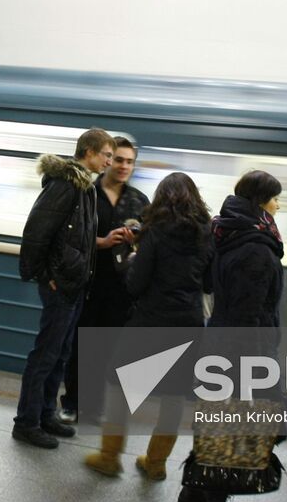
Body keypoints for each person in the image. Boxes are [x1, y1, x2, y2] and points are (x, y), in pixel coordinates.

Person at [177, 169, 286, 502]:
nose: (278, 205)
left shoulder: (224, 231)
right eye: (275, 199)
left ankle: (193, 490)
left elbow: (209, 283)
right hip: (243, 346)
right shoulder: (257, 246)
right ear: (260, 202)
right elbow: (250, 312)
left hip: (219, 337)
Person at [84, 171, 209, 480]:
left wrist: (131, 257)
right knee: (174, 395)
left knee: (118, 384)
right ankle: (156, 462)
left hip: (151, 321)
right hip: (188, 322)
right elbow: (209, 282)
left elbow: (136, 284)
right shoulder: (206, 233)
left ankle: (109, 457)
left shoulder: (156, 230)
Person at [12, 128, 114, 449]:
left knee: (60, 354)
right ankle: (26, 422)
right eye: (106, 155)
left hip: (74, 285)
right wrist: (45, 274)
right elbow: (36, 232)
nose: (109, 162)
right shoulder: (65, 186)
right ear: (89, 152)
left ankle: (46, 414)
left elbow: (78, 238)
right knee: (46, 354)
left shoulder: (85, 187)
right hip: (60, 285)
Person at [61, 135, 149, 423]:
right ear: (108, 160)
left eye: (129, 162)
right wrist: (104, 241)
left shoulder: (139, 201)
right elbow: (71, 238)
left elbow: (149, 243)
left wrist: (136, 241)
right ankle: (71, 403)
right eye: (118, 159)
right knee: (80, 345)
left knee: (107, 348)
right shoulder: (87, 192)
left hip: (122, 288)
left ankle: (94, 405)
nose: (123, 166)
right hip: (88, 281)